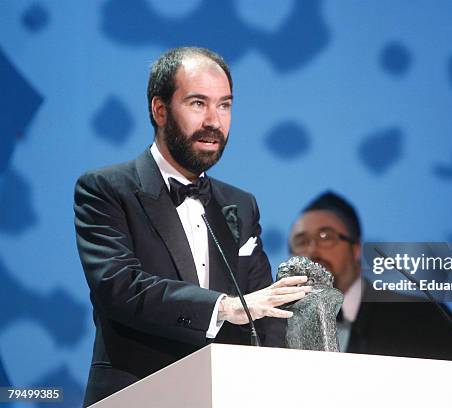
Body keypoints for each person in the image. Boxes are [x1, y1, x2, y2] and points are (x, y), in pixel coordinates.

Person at [74, 47, 310, 406]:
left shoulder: (240, 205)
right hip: (136, 394)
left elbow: (264, 314)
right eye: (198, 103)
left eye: (225, 105)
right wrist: (223, 307)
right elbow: (119, 288)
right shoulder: (106, 188)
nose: (214, 121)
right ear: (160, 110)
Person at [288, 191, 452, 361]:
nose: (312, 251)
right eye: (301, 242)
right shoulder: (270, 325)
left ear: (356, 249)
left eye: (326, 237)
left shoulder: (424, 318)